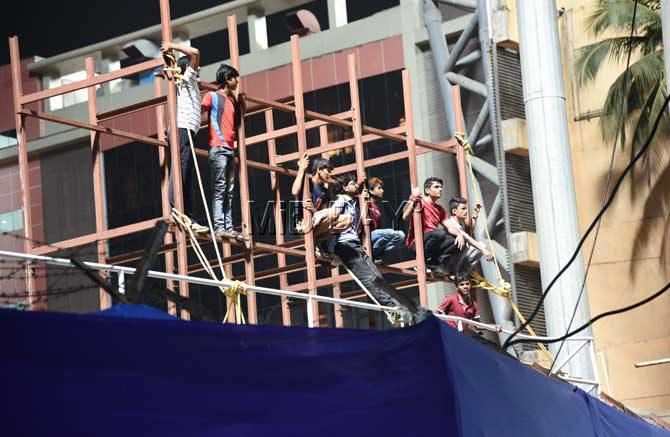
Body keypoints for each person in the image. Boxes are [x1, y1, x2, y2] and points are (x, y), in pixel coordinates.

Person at [329, 174, 422, 322]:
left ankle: (399, 308)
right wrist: (331, 249)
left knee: (377, 278)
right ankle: (393, 311)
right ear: (345, 188)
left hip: (356, 246)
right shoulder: (341, 202)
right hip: (346, 246)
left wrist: (360, 185)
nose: (356, 186)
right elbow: (329, 218)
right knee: (370, 279)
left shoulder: (351, 202)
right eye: (352, 184)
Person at [402, 177, 492, 276]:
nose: (440, 189)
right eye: (436, 187)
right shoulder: (420, 202)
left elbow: (450, 227)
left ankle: (435, 263)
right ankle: (424, 262)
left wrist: (459, 235)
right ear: (427, 190)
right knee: (440, 233)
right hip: (416, 243)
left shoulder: (440, 209)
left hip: (431, 243)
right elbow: (405, 216)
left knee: (458, 242)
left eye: (441, 187)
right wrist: (413, 197)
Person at [161, 41, 207, 233]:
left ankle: (188, 215)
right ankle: (177, 210)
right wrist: (172, 45)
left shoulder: (189, 84)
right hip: (183, 130)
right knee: (181, 170)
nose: (199, 69)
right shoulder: (187, 77)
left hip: (186, 130)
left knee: (187, 174)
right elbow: (195, 52)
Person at [201, 63, 246, 241]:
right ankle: (220, 227)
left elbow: (238, 119)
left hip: (229, 149)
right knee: (220, 189)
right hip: (218, 148)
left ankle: (227, 226)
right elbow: (200, 110)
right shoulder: (212, 96)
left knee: (229, 190)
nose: (237, 81)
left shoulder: (232, 101)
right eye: (235, 78)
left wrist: (241, 102)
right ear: (228, 79)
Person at [361, 177, 405, 262]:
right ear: (371, 191)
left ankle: (375, 253)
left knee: (400, 235)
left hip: (375, 236)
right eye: (379, 188)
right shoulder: (364, 202)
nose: (382, 190)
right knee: (390, 232)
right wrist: (363, 196)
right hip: (366, 235)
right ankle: (372, 253)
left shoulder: (376, 207)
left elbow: (379, 227)